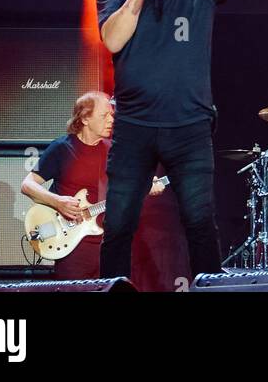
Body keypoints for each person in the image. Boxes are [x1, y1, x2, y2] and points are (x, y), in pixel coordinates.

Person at [96, 0, 268, 283]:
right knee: (117, 227)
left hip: (190, 127)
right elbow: (113, 39)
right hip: (133, 127)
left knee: (200, 223)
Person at [21, 90, 164, 280]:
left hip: (108, 244)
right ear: (85, 118)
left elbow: (134, 182)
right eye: (104, 115)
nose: (111, 120)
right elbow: (28, 185)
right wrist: (57, 202)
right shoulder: (62, 148)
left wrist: (148, 185)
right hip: (73, 245)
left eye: (112, 115)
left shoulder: (114, 150)